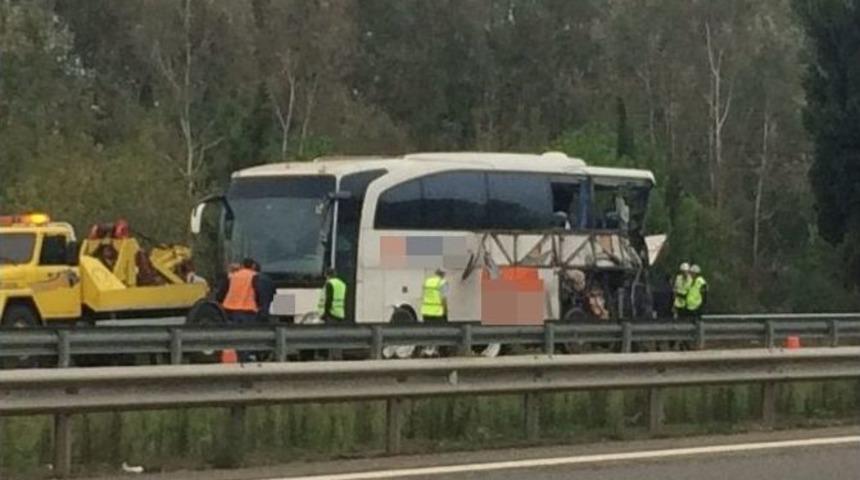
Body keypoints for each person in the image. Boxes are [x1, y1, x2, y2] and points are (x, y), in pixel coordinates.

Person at [216, 258, 261, 325]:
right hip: (248, 310)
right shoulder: (256, 277)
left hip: (229, 310)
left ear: (242, 266)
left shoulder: (232, 276)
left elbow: (221, 293)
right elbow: (260, 293)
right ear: (253, 266)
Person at [420, 268, 448, 357]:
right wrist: (446, 310)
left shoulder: (427, 281)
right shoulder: (442, 283)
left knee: (427, 331)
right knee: (437, 331)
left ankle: (426, 349)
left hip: (426, 311)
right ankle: (434, 350)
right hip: (437, 311)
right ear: (443, 274)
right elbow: (443, 299)